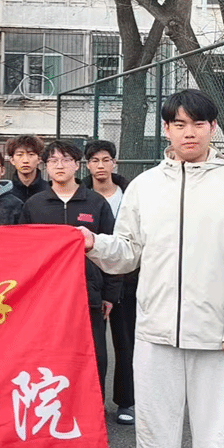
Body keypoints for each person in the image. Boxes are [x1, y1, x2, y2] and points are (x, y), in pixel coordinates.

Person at [79, 89, 224, 448]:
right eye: (179, 124)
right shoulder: (145, 187)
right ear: (166, 129)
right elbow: (128, 251)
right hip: (155, 336)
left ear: (213, 127)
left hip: (216, 341)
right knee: (154, 440)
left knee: (216, 444)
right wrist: (94, 243)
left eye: (198, 123)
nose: (189, 132)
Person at [20, 140, 121, 397]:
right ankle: (52, 407)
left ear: (77, 165)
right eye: (53, 161)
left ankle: (94, 407)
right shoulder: (34, 205)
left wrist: (110, 294)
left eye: (66, 160)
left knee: (94, 355)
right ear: (46, 167)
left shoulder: (96, 203)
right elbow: (23, 252)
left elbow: (113, 249)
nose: (59, 165)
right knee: (49, 355)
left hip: (89, 294)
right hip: (46, 297)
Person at [82, 140, 137, 425]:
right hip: (93, 283)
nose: (100, 166)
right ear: (87, 165)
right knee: (94, 349)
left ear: (115, 163)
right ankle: (94, 402)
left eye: (106, 160)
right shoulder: (82, 198)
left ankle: (126, 402)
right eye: (95, 160)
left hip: (128, 279)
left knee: (125, 342)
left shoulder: (131, 195)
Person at [6, 134, 49, 202]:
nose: (25, 160)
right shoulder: (5, 192)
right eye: (20, 155)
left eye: (31, 154)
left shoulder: (50, 191)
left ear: (39, 159)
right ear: (12, 160)